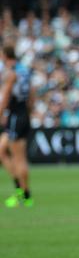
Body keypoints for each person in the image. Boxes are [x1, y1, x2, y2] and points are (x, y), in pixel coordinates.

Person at [0, 44, 34, 208]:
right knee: (2, 150)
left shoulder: (11, 73)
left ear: (5, 55)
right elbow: (32, 93)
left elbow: (6, 97)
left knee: (19, 158)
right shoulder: (24, 69)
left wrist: (1, 114)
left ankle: (25, 195)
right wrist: (29, 113)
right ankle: (20, 190)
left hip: (15, 115)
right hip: (23, 114)